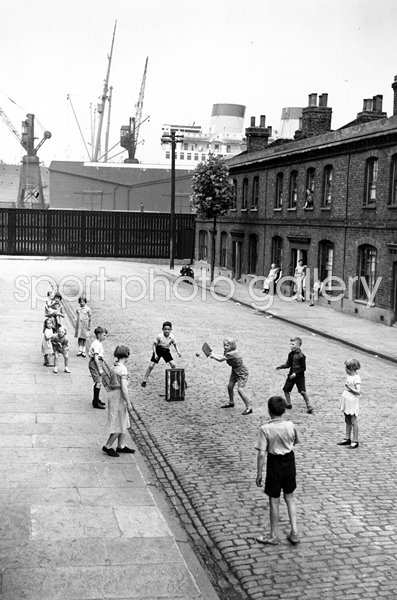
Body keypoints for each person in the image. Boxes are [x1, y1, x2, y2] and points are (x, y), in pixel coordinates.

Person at [255, 396, 300, 545]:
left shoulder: (265, 429)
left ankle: (273, 535)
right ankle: (294, 531)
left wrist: (259, 473)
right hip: (289, 461)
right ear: (284, 410)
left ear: (269, 411)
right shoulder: (290, 425)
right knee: (290, 496)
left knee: (274, 499)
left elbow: (262, 453)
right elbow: (295, 441)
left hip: (274, 463)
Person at [102, 345, 135, 457]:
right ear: (126, 355)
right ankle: (108, 445)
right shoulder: (123, 369)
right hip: (119, 397)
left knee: (123, 420)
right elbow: (124, 388)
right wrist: (129, 402)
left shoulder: (114, 366)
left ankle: (121, 445)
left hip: (113, 395)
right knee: (119, 423)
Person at [210, 337, 253, 415]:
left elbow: (220, 359)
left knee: (240, 390)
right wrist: (213, 354)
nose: (225, 347)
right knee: (230, 386)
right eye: (224, 345)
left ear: (232, 346)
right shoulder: (228, 352)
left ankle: (249, 407)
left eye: (227, 345)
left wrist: (212, 355)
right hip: (235, 370)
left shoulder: (232, 353)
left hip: (241, 372)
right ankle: (231, 402)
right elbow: (221, 356)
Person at [276, 337, 313, 414]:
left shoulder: (301, 356)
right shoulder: (290, 354)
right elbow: (288, 364)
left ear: (298, 345)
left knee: (302, 391)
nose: (291, 346)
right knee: (286, 389)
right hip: (291, 375)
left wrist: (296, 373)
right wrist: (281, 366)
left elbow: (303, 368)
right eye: (290, 344)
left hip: (299, 376)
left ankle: (308, 405)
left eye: (293, 344)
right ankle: (288, 404)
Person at [141, 321, 181, 387]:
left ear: (171, 330)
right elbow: (154, 345)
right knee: (151, 365)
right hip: (158, 350)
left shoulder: (172, 337)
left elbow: (175, 344)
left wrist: (178, 352)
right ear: (162, 329)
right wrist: (155, 354)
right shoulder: (159, 337)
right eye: (165, 329)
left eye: (168, 329)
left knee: (173, 365)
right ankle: (144, 380)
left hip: (166, 351)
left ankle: (175, 380)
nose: (167, 331)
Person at [337, 358, 361, 449]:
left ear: (351, 368)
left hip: (352, 401)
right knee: (347, 419)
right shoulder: (349, 376)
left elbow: (358, 391)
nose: (345, 370)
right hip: (347, 400)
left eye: (346, 368)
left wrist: (350, 388)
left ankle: (355, 440)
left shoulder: (356, 378)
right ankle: (347, 438)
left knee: (353, 420)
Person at [88, 325, 108, 409]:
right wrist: (99, 368)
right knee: (98, 382)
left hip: (98, 362)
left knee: (98, 382)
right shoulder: (96, 344)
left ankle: (96, 399)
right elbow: (96, 357)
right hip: (95, 363)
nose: (105, 337)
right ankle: (95, 402)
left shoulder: (98, 343)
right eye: (104, 335)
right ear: (99, 335)